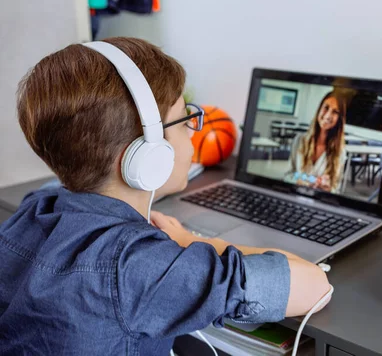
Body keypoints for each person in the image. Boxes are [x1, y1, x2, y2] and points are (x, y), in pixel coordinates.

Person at [0, 37, 330, 355]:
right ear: (146, 156)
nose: (193, 133)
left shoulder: (35, 208)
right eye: (185, 119)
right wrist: (188, 240)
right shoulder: (139, 267)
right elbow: (314, 286)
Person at [285, 91, 347, 193]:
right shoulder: (299, 140)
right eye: (326, 108)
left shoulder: (340, 152)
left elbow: (336, 189)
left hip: (318, 202)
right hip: (295, 196)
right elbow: (287, 175)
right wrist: (298, 180)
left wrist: (329, 189)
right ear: (319, 109)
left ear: (339, 119)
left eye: (335, 112)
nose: (327, 116)